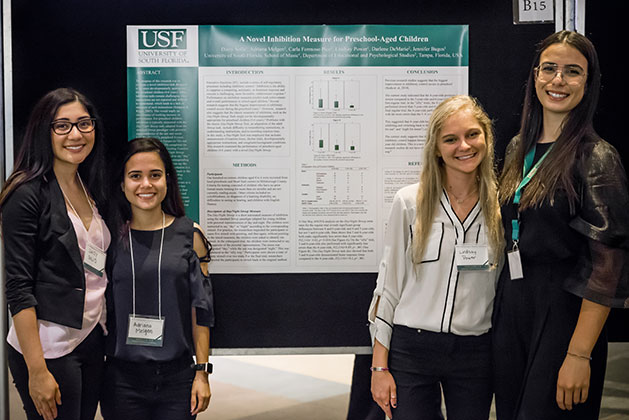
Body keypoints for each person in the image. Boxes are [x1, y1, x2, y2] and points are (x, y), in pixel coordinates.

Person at [493, 30, 629, 419]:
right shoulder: (519, 147)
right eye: (549, 69)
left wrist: (578, 353)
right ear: (535, 75)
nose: (558, 80)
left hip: (566, 311)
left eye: (572, 72)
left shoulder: (597, 157)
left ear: (588, 84)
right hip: (514, 303)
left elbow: (608, 265)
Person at [368, 95, 504, 420]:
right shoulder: (409, 202)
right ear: (437, 148)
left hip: (475, 352)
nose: (464, 146)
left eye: (472, 134)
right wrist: (378, 366)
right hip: (412, 349)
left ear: (486, 136)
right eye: (451, 139)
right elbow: (388, 287)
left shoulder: (502, 207)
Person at [0, 88, 109, 420]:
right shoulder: (26, 194)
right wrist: (36, 370)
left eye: (83, 123)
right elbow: (18, 288)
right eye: (62, 125)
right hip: (50, 348)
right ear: (43, 130)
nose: (75, 134)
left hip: (91, 337)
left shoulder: (87, 185)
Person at [100, 137, 214, 420]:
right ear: (122, 183)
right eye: (135, 176)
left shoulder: (191, 235)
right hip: (121, 380)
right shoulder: (107, 237)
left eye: (155, 175)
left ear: (168, 180)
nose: (146, 185)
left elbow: (200, 311)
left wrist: (202, 373)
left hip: (178, 379)